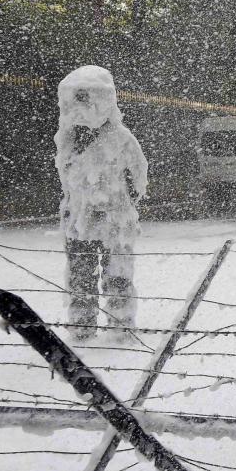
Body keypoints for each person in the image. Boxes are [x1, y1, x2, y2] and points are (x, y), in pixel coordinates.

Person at [55, 65, 148, 341]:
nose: (81, 108)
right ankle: (82, 326)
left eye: (86, 99)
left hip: (114, 222)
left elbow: (138, 177)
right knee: (80, 278)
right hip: (77, 222)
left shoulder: (122, 140)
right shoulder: (67, 140)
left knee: (118, 276)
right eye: (77, 99)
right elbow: (66, 179)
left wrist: (116, 203)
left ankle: (121, 327)